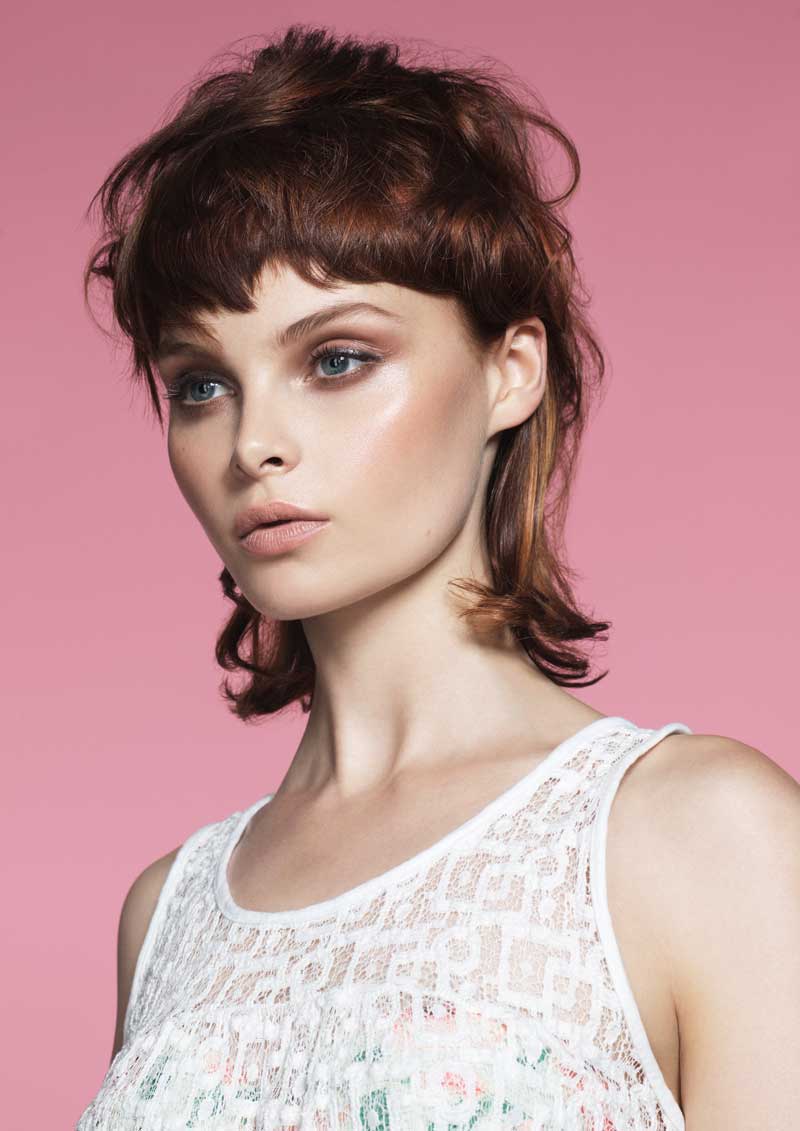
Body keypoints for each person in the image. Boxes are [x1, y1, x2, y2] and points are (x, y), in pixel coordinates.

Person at [75, 23, 799, 1131]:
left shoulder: (703, 836)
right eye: (201, 384)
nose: (253, 444)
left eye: (336, 359)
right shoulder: (166, 914)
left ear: (510, 371)